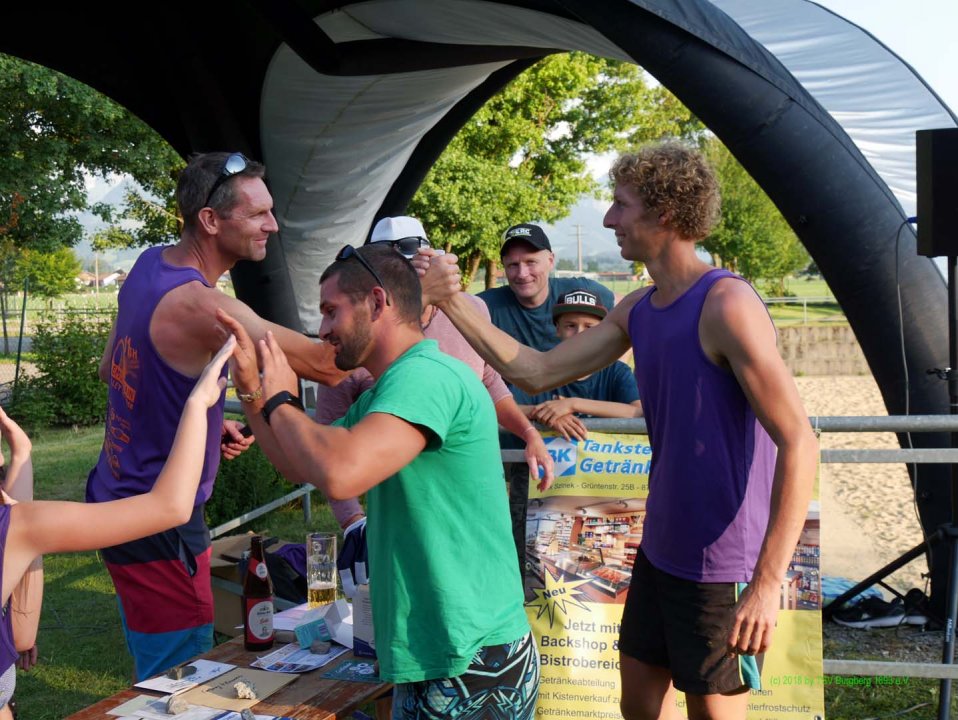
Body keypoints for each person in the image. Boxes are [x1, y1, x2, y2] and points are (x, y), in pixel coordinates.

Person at [420, 141, 818, 720]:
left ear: (664, 213)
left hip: (723, 565)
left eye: (620, 205)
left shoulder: (726, 304)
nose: (609, 219)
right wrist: (451, 300)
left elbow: (800, 441)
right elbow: (534, 369)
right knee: (637, 710)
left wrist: (766, 583)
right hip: (659, 551)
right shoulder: (639, 308)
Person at [219, 244, 541, 719]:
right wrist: (252, 392)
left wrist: (282, 397)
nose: (323, 330)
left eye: (331, 311)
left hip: (470, 655)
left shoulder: (426, 377)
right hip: (438, 651)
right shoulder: (392, 385)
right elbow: (300, 463)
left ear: (376, 300)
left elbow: (340, 471)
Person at [85, 152, 346, 681]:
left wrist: (196, 424)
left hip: (114, 498)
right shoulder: (205, 308)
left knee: (155, 655)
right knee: (178, 676)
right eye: (258, 215)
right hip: (160, 518)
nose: (273, 225)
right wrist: (416, 300)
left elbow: (111, 367)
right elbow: (328, 365)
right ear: (210, 220)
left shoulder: (149, 264)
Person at [313, 216, 554, 597]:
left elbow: (489, 380)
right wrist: (353, 523)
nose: (408, 265)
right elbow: (324, 440)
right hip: (399, 519)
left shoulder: (469, 310)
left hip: (468, 513)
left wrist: (528, 433)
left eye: (412, 251)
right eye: (391, 257)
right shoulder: (356, 336)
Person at [0, 336, 235, 720]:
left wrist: (22, 456)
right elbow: (170, 506)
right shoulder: (17, 529)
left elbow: (21, 636)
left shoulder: (18, 529)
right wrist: (198, 405)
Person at [478, 223, 616, 576]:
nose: (522, 273)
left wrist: (570, 404)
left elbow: (613, 327)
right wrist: (540, 414)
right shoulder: (485, 308)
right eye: (512, 265)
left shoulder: (581, 294)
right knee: (516, 536)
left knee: (574, 541)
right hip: (513, 442)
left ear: (551, 260)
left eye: (531, 262)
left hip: (577, 456)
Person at [512, 289, 642, 441]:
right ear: (557, 329)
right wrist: (548, 414)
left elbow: (638, 412)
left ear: (602, 331)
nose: (580, 333)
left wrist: (573, 404)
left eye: (589, 327)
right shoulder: (542, 368)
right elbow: (504, 407)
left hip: (603, 462)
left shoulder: (615, 371)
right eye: (570, 326)